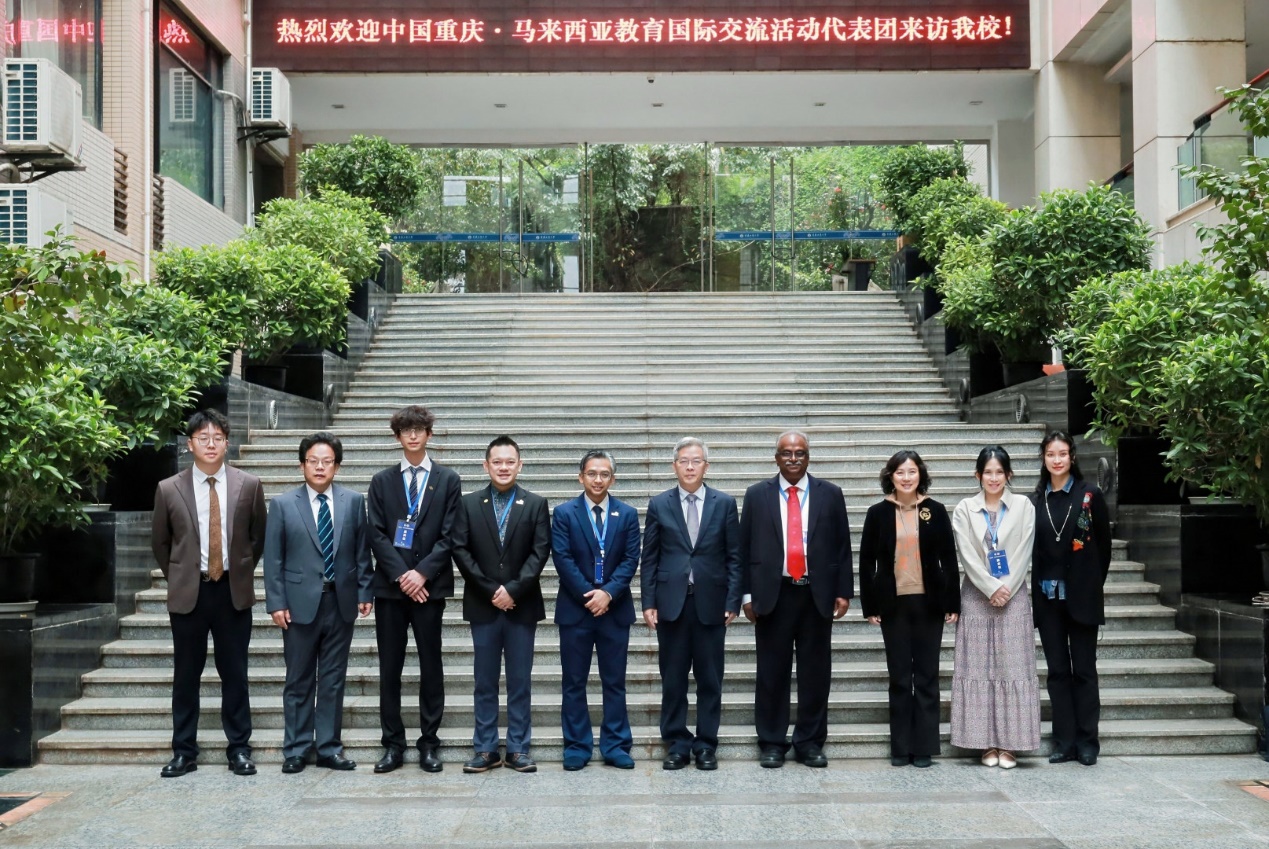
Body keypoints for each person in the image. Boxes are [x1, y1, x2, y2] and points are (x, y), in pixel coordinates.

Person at [151, 409, 267, 778]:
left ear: (227, 443)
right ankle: (184, 752)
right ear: (190, 444)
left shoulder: (249, 485)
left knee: (235, 674)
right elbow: (161, 543)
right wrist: (181, 575)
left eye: (217, 437)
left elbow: (257, 538)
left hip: (232, 592)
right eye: (203, 438)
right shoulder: (169, 488)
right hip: (190, 594)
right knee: (186, 675)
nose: (211, 444)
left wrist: (240, 570)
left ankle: (240, 749)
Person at [740, 430, 852, 769]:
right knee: (771, 673)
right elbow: (744, 548)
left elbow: (842, 546)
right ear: (776, 458)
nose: (793, 458)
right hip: (773, 594)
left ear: (808, 457)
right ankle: (772, 742)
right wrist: (746, 595)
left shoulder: (830, 494)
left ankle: (809, 742)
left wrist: (843, 590)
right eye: (786, 453)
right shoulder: (756, 495)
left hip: (816, 594)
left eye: (799, 452)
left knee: (815, 673)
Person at [264, 432, 373, 773]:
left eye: (327, 461)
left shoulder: (352, 502)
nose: (320, 467)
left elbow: (362, 552)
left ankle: (328, 747)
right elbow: (273, 559)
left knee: (333, 677)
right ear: (302, 465)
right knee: (298, 679)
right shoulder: (283, 504)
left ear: (337, 466)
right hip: (298, 605)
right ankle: (296, 749)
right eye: (313, 461)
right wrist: (276, 602)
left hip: (340, 602)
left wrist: (365, 592)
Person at [366, 406, 462, 773]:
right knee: (389, 667)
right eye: (405, 430)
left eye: (419, 429)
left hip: (429, 589)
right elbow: (376, 533)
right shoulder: (382, 481)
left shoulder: (447, 480)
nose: (412, 435)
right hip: (391, 590)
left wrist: (421, 574)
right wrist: (402, 576)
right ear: (397, 437)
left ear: (429, 434)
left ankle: (429, 743)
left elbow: (451, 535)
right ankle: (393, 744)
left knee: (430, 664)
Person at [641, 437, 742, 771]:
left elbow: (734, 556)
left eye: (696, 461)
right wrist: (648, 601)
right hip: (671, 605)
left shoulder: (724, 503)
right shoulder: (659, 504)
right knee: (673, 680)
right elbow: (650, 557)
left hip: (712, 604)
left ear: (706, 466)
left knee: (710, 679)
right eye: (683, 461)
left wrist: (733, 600)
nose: (689, 466)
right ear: (674, 466)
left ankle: (706, 744)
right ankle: (677, 744)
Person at [452, 435, 551, 774]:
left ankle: (519, 749)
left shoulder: (535, 504)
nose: (504, 467)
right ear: (486, 465)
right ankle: (486, 749)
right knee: (485, 680)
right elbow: (460, 549)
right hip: (483, 605)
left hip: (522, 606)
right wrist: (492, 590)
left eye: (510, 462)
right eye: (497, 462)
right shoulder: (468, 504)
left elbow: (540, 552)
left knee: (520, 681)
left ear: (520, 465)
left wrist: (513, 591)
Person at [858, 450, 960, 769]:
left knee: (927, 676)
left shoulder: (935, 510)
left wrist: (952, 602)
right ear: (891, 476)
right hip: (893, 605)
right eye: (900, 472)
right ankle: (901, 746)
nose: (906, 478)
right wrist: (870, 605)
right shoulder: (877, 513)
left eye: (912, 471)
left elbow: (949, 558)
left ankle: (925, 746)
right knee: (900, 677)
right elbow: (866, 562)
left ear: (920, 475)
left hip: (930, 603)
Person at [950, 446, 1040, 769]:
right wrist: (990, 587)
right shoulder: (964, 509)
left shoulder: (1024, 506)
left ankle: (1010, 744)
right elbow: (966, 554)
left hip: (1013, 596)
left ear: (1008, 474)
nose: (993, 478)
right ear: (978, 475)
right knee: (978, 668)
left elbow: (1024, 549)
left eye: (999, 472)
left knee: (1013, 667)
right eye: (987, 472)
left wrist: (1007, 588)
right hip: (976, 596)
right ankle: (986, 743)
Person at [552, 449, 642, 770]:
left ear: (613, 479)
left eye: (605, 474)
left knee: (614, 682)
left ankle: (616, 745)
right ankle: (577, 746)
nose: (598, 479)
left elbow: (631, 559)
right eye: (592, 473)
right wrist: (590, 596)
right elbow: (562, 558)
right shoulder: (564, 513)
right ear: (581, 477)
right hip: (575, 610)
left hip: (615, 611)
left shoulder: (627, 514)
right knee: (574, 682)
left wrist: (608, 594)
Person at [1031, 431, 1112, 766]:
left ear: (1072, 457)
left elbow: (1104, 547)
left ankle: (1087, 742)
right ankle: (1063, 741)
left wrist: (1090, 585)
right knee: (1057, 672)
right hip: (1047, 598)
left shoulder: (1090, 495)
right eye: (1051, 454)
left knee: (1085, 670)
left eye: (1062, 453)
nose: (1057, 460)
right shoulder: (1036, 499)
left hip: (1082, 597)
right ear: (1043, 458)